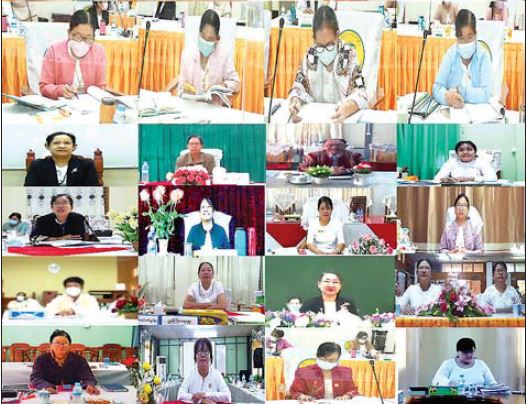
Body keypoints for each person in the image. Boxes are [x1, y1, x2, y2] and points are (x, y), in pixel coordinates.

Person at [288, 6, 368, 123]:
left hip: (341, 119)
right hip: (314, 119)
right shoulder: (310, 56)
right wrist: (295, 100)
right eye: (320, 46)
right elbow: (299, 87)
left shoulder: (349, 55)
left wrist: (350, 106)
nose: (325, 50)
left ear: (337, 35)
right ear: (314, 39)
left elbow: (361, 92)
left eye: (330, 45)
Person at [165, 9, 240, 107]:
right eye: (203, 36)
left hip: (214, 109)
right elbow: (181, 85)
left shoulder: (223, 55)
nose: (205, 41)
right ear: (199, 33)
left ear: (217, 39)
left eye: (210, 39)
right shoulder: (188, 53)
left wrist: (223, 86)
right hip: (191, 107)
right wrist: (185, 90)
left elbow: (236, 83)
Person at [39, 9, 107, 100]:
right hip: (61, 104)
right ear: (69, 33)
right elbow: (44, 86)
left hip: (89, 105)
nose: (82, 42)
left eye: (88, 38)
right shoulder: (54, 51)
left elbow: (101, 87)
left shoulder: (99, 52)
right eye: (78, 36)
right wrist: (59, 90)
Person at [432, 9, 493, 107]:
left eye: (470, 38)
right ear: (456, 37)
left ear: (476, 35)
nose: (466, 43)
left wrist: (461, 91)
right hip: (454, 112)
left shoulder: (483, 56)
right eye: (461, 39)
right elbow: (437, 88)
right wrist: (447, 98)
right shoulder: (450, 55)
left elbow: (486, 93)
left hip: (478, 113)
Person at [30, 330, 100, 394]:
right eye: (57, 343)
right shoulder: (41, 360)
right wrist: (46, 387)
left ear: (69, 346)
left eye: (64, 343)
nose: (61, 346)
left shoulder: (79, 359)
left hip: (74, 393)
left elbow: (88, 376)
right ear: (51, 345)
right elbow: (36, 378)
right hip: (49, 393)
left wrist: (89, 385)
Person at [24, 132, 99, 186]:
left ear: (74, 147)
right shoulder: (37, 165)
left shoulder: (86, 165)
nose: (62, 146)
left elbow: (93, 190)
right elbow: (29, 190)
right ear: (47, 146)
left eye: (67, 143)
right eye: (56, 143)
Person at [290, 342, 358, 400]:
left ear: (338, 359)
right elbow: (295, 391)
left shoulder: (345, 372)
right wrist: (302, 396)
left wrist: (347, 396)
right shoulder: (303, 372)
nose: (327, 362)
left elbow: (352, 390)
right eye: (324, 359)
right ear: (317, 356)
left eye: (332, 360)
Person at [177, 338, 232, 403]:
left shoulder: (216, 374)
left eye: (206, 352)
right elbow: (180, 395)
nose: (203, 355)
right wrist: (201, 401)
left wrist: (205, 395)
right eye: (199, 351)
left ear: (210, 356)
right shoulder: (190, 374)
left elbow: (227, 396)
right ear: (195, 356)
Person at [432, 338, 497, 386]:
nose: (469, 355)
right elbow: (436, 381)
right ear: (458, 351)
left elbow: (492, 384)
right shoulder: (448, 364)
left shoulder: (481, 364)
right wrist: (448, 383)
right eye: (465, 352)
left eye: (471, 352)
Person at [433, 140, 497, 183]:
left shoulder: (481, 162)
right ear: (457, 153)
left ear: (475, 152)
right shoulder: (451, 162)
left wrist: (472, 178)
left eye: (469, 149)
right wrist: (445, 179)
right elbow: (437, 178)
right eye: (461, 150)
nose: (465, 152)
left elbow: (493, 178)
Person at [299, 138, 363, 175]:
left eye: (339, 145)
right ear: (323, 147)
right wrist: (327, 171)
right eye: (330, 145)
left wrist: (347, 171)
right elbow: (302, 168)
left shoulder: (356, 156)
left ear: (345, 146)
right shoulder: (313, 155)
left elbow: (365, 168)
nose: (334, 147)